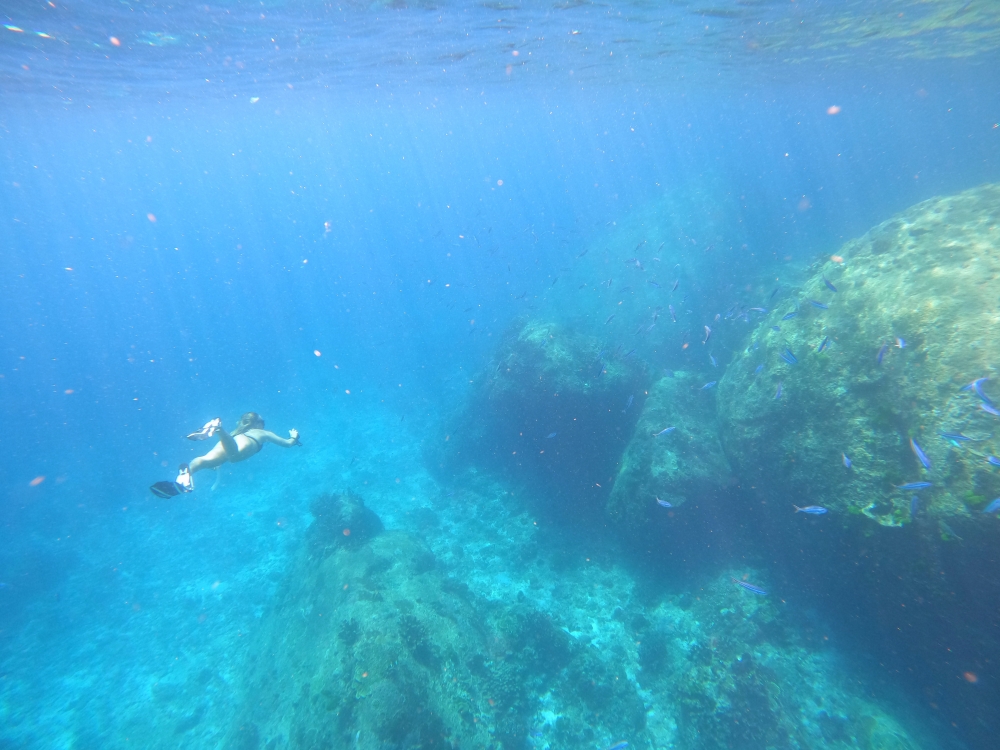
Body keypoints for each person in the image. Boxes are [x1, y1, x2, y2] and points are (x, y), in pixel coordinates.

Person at [149, 412, 300, 498]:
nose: (264, 425)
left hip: (229, 440)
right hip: (244, 444)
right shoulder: (262, 432)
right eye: (263, 422)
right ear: (257, 424)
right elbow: (287, 444)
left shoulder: (236, 432)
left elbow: (219, 462)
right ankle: (218, 429)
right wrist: (294, 436)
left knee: (204, 460)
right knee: (234, 455)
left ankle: (183, 478)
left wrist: (216, 465)